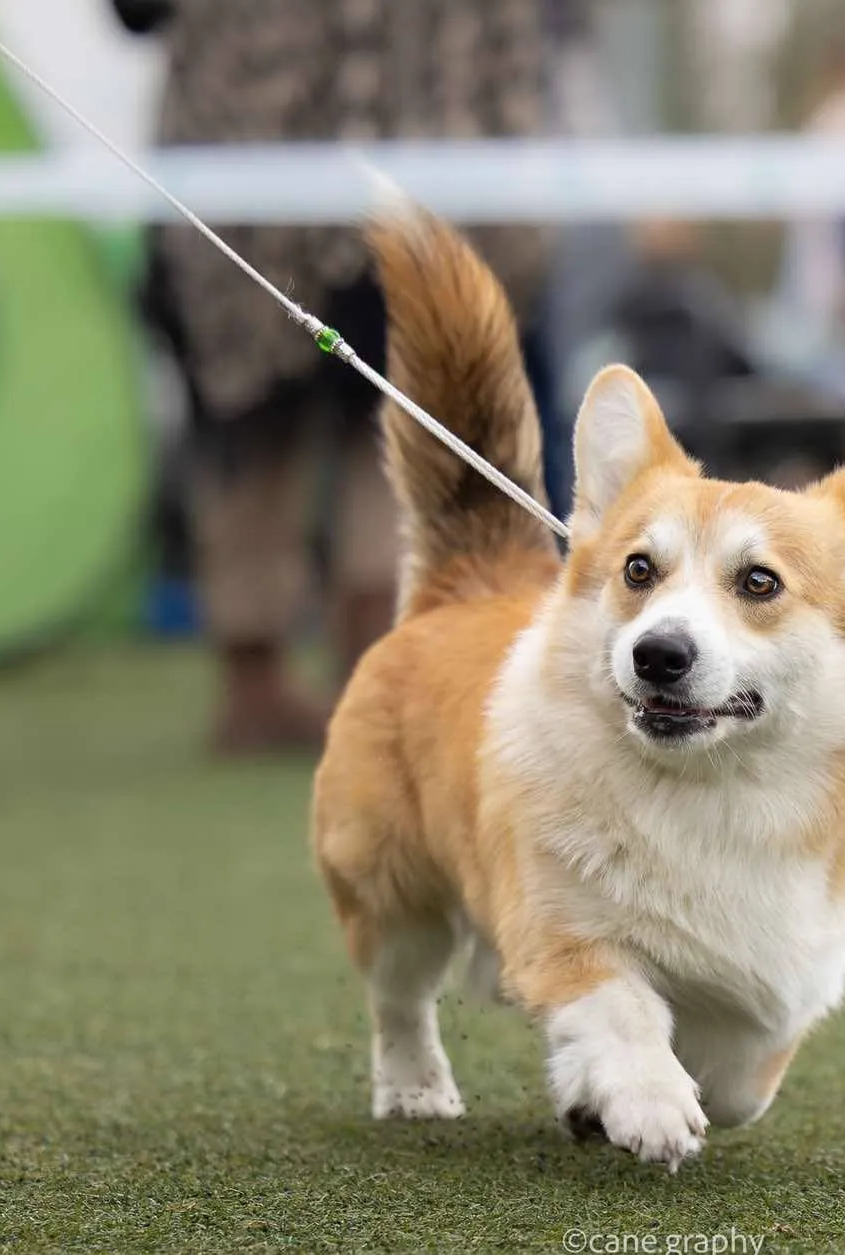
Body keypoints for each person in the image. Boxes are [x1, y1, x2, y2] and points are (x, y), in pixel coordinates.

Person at [116, 0, 581, 755]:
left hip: (322, 158)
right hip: (335, 164)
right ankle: (298, 684)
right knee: (320, 425)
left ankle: (335, 679)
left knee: (361, 423)